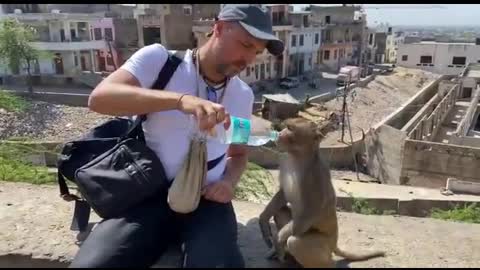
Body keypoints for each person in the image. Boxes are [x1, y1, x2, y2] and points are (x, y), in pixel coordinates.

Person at [69, 5, 284, 268]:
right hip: (148, 195)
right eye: (245, 44)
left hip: (207, 202)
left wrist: (228, 182)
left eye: (257, 52)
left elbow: (238, 154)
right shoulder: (160, 61)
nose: (249, 59)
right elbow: (100, 99)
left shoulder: (242, 96)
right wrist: (180, 101)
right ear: (217, 29)